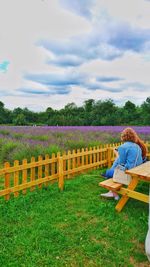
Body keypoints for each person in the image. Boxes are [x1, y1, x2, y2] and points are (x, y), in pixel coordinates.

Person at [100, 127, 147, 200]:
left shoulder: (123, 147)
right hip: (136, 171)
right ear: (134, 136)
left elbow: (121, 164)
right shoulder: (137, 146)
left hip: (129, 173)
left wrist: (117, 154)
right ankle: (112, 191)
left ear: (123, 136)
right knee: (110, 172)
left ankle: (113, 193)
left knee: (108, 172)